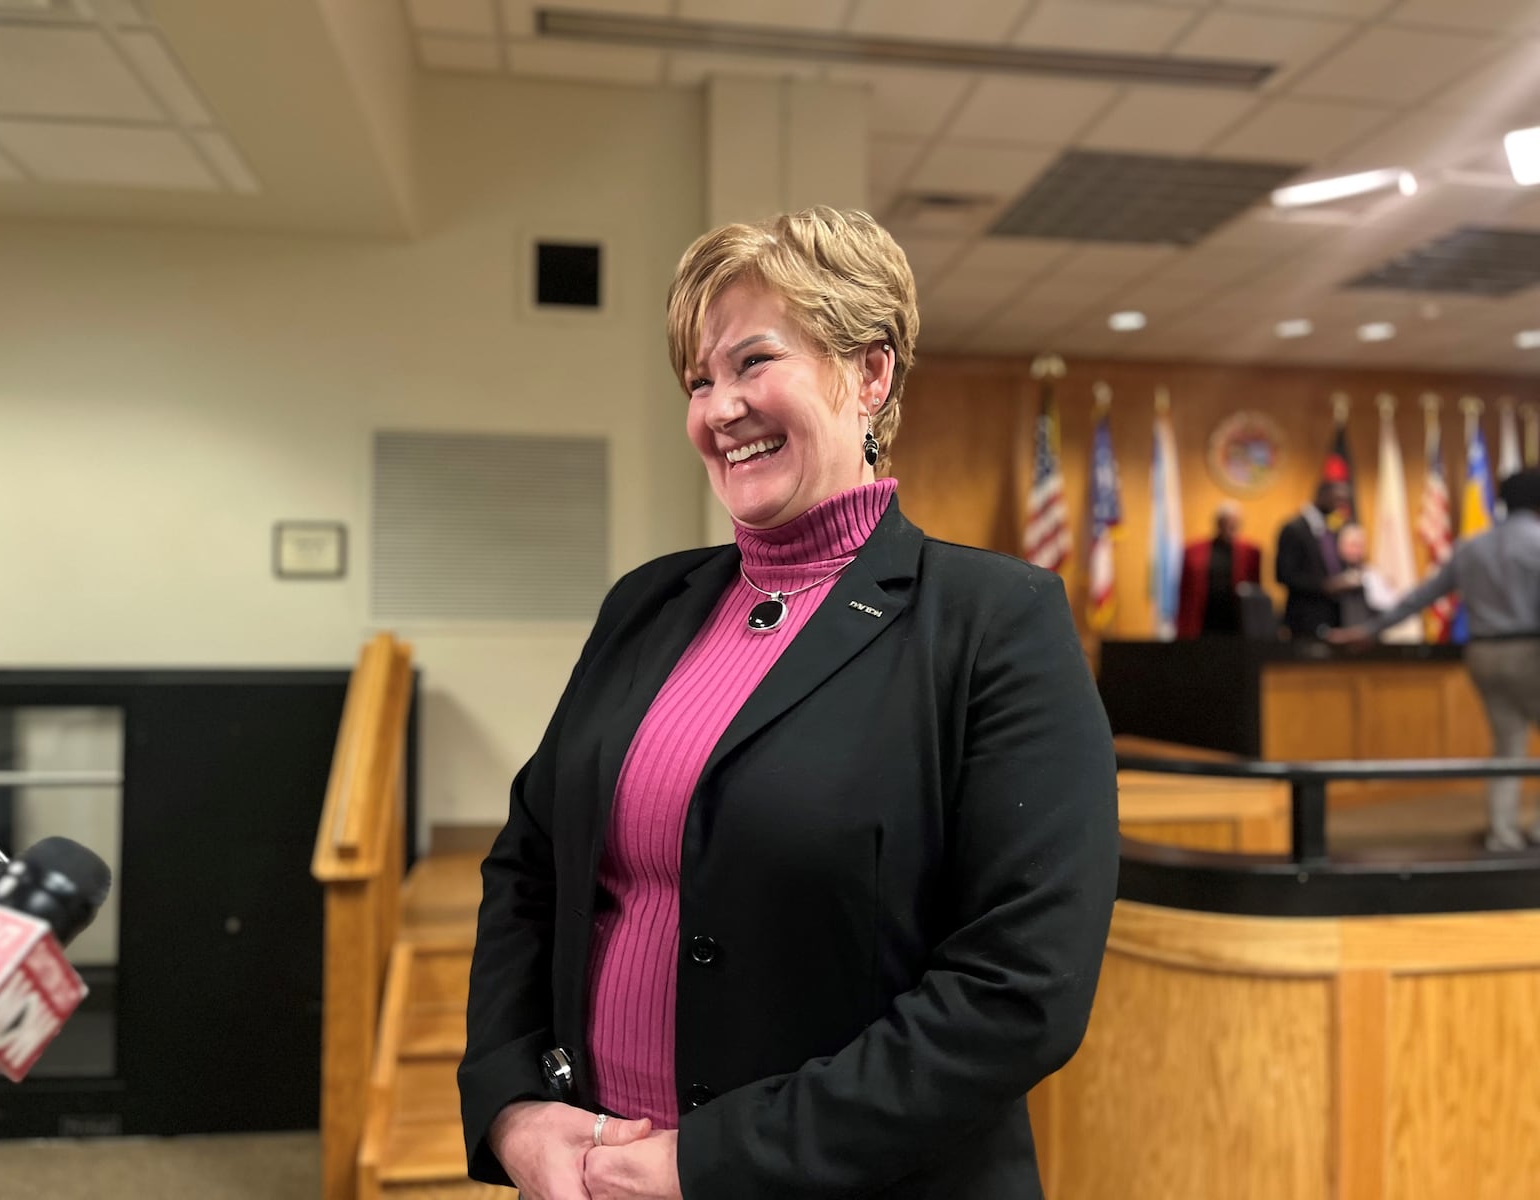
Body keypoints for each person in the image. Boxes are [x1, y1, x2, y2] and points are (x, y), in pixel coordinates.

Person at [457, 207, 1119, 1200]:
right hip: (594, 1177)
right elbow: (528, 871)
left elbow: (1019, 990)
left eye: (752, 363)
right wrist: (512, 1109)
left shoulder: (992, 624)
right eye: (697, 380)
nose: (719, 407)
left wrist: (710, 1162)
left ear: (870, 375)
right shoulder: (646, 606)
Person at [1330, 467, 1540, 851]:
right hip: (1530, 652)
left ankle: (1502, 832)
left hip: (1481, 653)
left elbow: (1422, 596)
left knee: (1507, 744)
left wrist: (1371, 630)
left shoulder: (1472, 546)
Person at [1275, 480, 1353, 636]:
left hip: (1334, 615)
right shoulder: (1294, 529)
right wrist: (1324, 586)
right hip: (1305, 617)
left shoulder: (1333, 528)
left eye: (1344, 500)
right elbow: (1283, 574)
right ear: (1322, 495)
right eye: (1338, 499)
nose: (1341, 505)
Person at [1177, 500, 1262, 638]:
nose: (1232, 526)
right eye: (1227, 521)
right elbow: (1185, 590)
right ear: (1218, 522)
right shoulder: (1193, 551)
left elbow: (1255, 588)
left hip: (1236, 620)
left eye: (1236, 522)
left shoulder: (1250, 552)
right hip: (1204, 619)